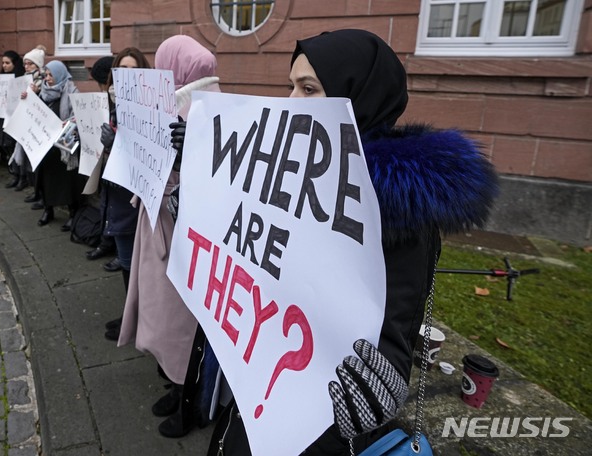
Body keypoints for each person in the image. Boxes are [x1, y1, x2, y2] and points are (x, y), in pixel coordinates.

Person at [168, 29, 499, 455]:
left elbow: (392, 337)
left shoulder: (394, 215)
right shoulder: (281, 171)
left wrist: (381, 383)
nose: (290, 102)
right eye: (291, 86)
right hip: (257, 392)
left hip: (318, 427)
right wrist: (198, 167)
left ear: (357, 95)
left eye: (308, 89)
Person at [117, 34, 222, 439]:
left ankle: (192, 401)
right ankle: (178, 386)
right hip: (160, 222)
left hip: (181, 234)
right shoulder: (178, 101)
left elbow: (218, 184)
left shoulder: (204, 107)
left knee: (182, 323)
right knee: (164, 316)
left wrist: (184, 158)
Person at [88, 49, 150, 339]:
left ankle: (138, 321)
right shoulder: (113, 105)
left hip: (134, 201)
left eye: (132, 70)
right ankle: (131, 317)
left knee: (139, 268)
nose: (125, 76)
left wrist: (119, 143)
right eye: (120, 69)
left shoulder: (150, 110)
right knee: (125, 263)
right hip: (115, 196)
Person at [34, 60, 86, 228]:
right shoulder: (43, 93)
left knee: (67, 181)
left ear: (61, 75)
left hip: (64, 146)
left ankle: (72, 211)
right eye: (46, 75)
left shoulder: (72, 92)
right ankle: (48, 209)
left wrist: (69, 123)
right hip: (45, 146)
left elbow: (78, 116)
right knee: (46, 178)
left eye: (51, 75)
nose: (48, 79)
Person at [13, 45, 47, 205]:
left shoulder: (42, 81)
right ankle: (35, 190)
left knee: (37, 162)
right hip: (25, 124)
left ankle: (42, 194)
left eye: (30, 64)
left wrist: (35, 94)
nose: (26, 67)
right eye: (25, 63)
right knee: (28, 160)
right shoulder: (23, 80)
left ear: (38, 65)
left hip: (38, 128)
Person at [0, 50, 25, 189]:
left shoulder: (21, 79)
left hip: (16, 118)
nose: (4, 66)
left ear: (15, 63)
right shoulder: (0, 79)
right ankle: (14, 174)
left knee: (16, 146)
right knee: (7, 145)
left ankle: (22, 177)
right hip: (3, 117)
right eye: (3, 63)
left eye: (7, 63)